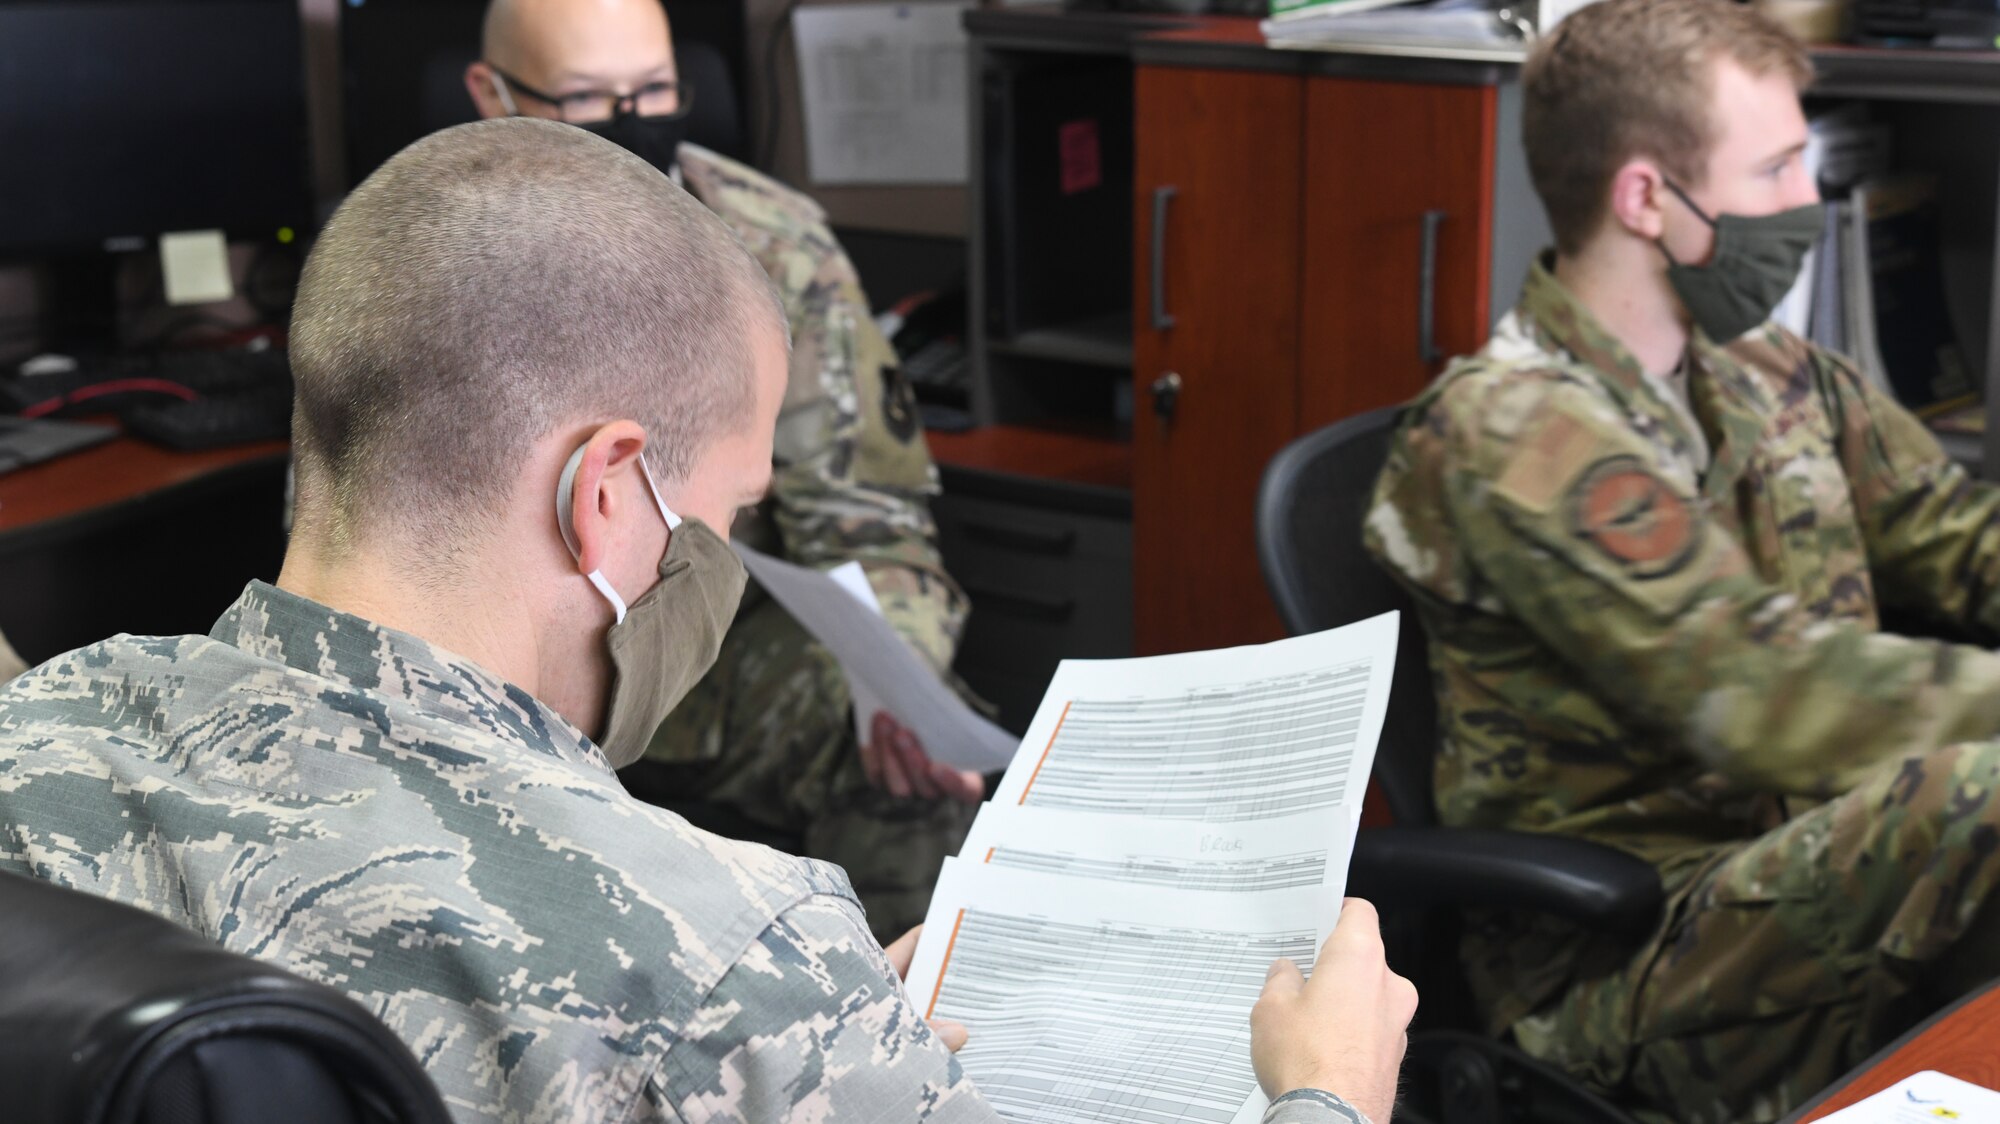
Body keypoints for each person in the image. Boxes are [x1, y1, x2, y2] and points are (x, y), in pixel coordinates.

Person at [0, 117, 1411, 1124]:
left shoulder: (40, 724)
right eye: (729, 512)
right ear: (607, 492)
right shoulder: (727, 950)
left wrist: (823, 1025)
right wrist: (1327, 1095)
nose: (720, 562)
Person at [1365, 1, 2000, 1120]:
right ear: (1645, 198)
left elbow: (1953, 534)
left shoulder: (1765, 366)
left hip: (1811, 866)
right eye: (1775, 168)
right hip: (1634, 959)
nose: (1805, 200)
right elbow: (1767, 693)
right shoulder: (1512, 433)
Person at [462, 0, 978, 942]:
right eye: (588, 98)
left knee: (907, 760)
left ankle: (885, 1018)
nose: (632, 121)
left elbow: (868, 513)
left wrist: (896, 684)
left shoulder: (770, 242)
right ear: (492, 95)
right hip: (497, 657)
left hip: (708, 659)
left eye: (656, 90)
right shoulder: (426, 250)